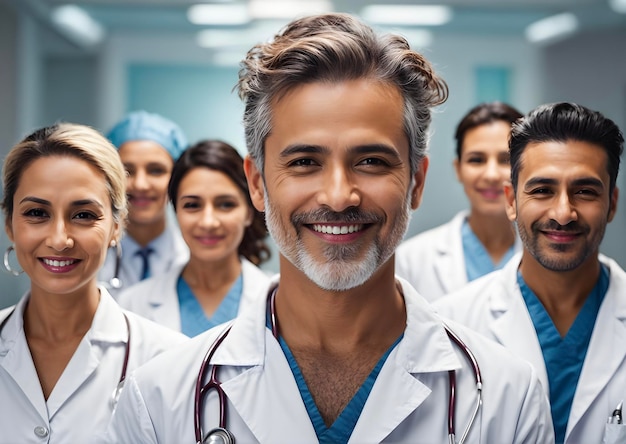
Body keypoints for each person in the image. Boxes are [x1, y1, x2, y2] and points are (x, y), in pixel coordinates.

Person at [104, 13, 554, 443]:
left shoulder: (505, 400)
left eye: (371, 161)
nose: (339, 196)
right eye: (304, 162)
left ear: (416, 182)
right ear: (257, 184)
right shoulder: (160, 401)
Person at [433, 102, 626, 444]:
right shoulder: (448, 326)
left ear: (612, 203)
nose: (564, 213)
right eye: (542, 190)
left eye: (585, 191)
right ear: (511, 201)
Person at [0, 123, 188, 443]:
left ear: (116, 226)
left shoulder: (173, 359)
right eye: (36, 212)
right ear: (10, 225)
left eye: (84, 215)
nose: (60, 240)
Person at [116, 140, 272, 337]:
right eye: (192, 205)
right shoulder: (132, 304)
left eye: (225, 205)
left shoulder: (278, 302)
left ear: (249, 213)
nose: (208, 222)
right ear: (176, 212)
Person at [396, 101, 523, 301]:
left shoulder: (544, 255)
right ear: (458, 169)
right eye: (476, 160)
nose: (491, 175)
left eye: (505, 160)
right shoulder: (411, 261)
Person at [99, 110, 190, 297]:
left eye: (156, 171)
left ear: (178, 178)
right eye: (127, 170)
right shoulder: (90, 258)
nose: (140, 184)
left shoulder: (191, 256)